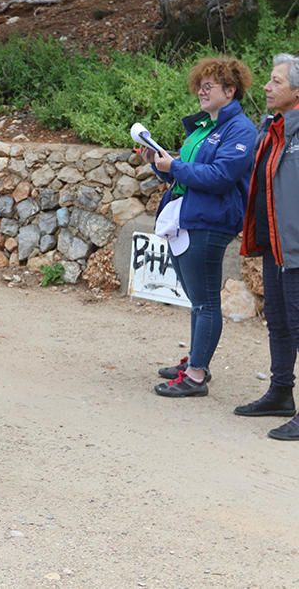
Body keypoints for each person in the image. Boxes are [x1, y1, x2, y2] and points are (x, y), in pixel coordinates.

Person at [144, 56, 258, 397]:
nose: (201, 91)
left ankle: (195, 375)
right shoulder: (205, 127)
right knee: (198, 300)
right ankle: (196, 360)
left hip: (210, 220)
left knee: (205, 301)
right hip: (190, 216)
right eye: (200, 85)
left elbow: (222, 176)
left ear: (230, 90)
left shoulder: (241, 129)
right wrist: (159, 163)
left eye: (209, 86)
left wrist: (175, 168)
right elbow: (185, 171)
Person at [234, 54, 299, 438]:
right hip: (277, 245)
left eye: (276, 81)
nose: (267, 87)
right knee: (279, 320)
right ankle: (280, 392)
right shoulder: (274, 129)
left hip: (295, 247)